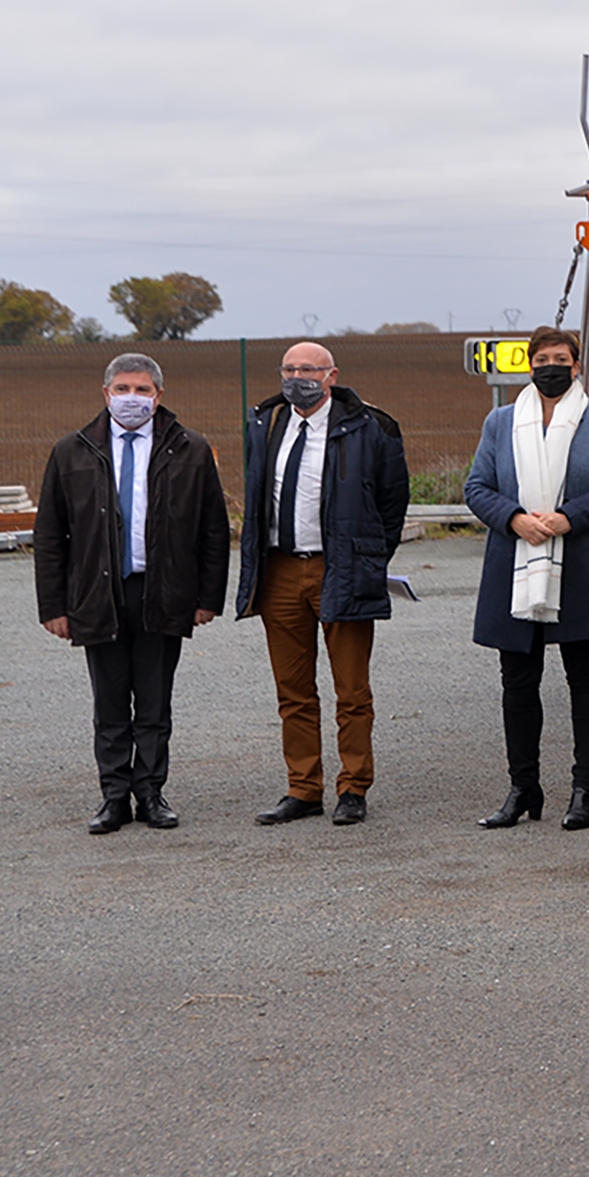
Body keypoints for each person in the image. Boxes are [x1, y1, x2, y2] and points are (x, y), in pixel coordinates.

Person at [34, 352, 230, 833]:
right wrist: (54, 607)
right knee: (109, 702)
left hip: (161, 592)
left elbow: (213, 531)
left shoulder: (190, 449)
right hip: (99, 594)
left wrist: (208, 597)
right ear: (105, 394)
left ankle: (151, 793)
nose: (131, 398)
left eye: (142, 390)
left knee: (155, 701)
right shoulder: (71, 451)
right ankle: (114, 797)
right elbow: (49, 534)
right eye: (122, 389)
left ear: (159, 396)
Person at [463, 327, 589, 831]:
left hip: (578, 565)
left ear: (576, 365)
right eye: (541, 359)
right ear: (530, 366)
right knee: (518, 683)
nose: (550, 366)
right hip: (515, 567)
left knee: (586, 680)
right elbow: (477, 487)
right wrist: (514, 516)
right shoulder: (500, 422)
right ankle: (523, 788)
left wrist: (567, 518)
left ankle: (586, 791)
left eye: (560, 358)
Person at [235, 341, 409, 827]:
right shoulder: (265, 424)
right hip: (281, 571)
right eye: (289, 369)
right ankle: (303, 788)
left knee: (352, 690)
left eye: (309, 369)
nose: (298, 377)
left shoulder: (369, 426)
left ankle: (353, 787)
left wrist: (370, 556)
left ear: (331, 375)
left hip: (342, 568)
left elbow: (394, 500)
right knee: (293, 690)